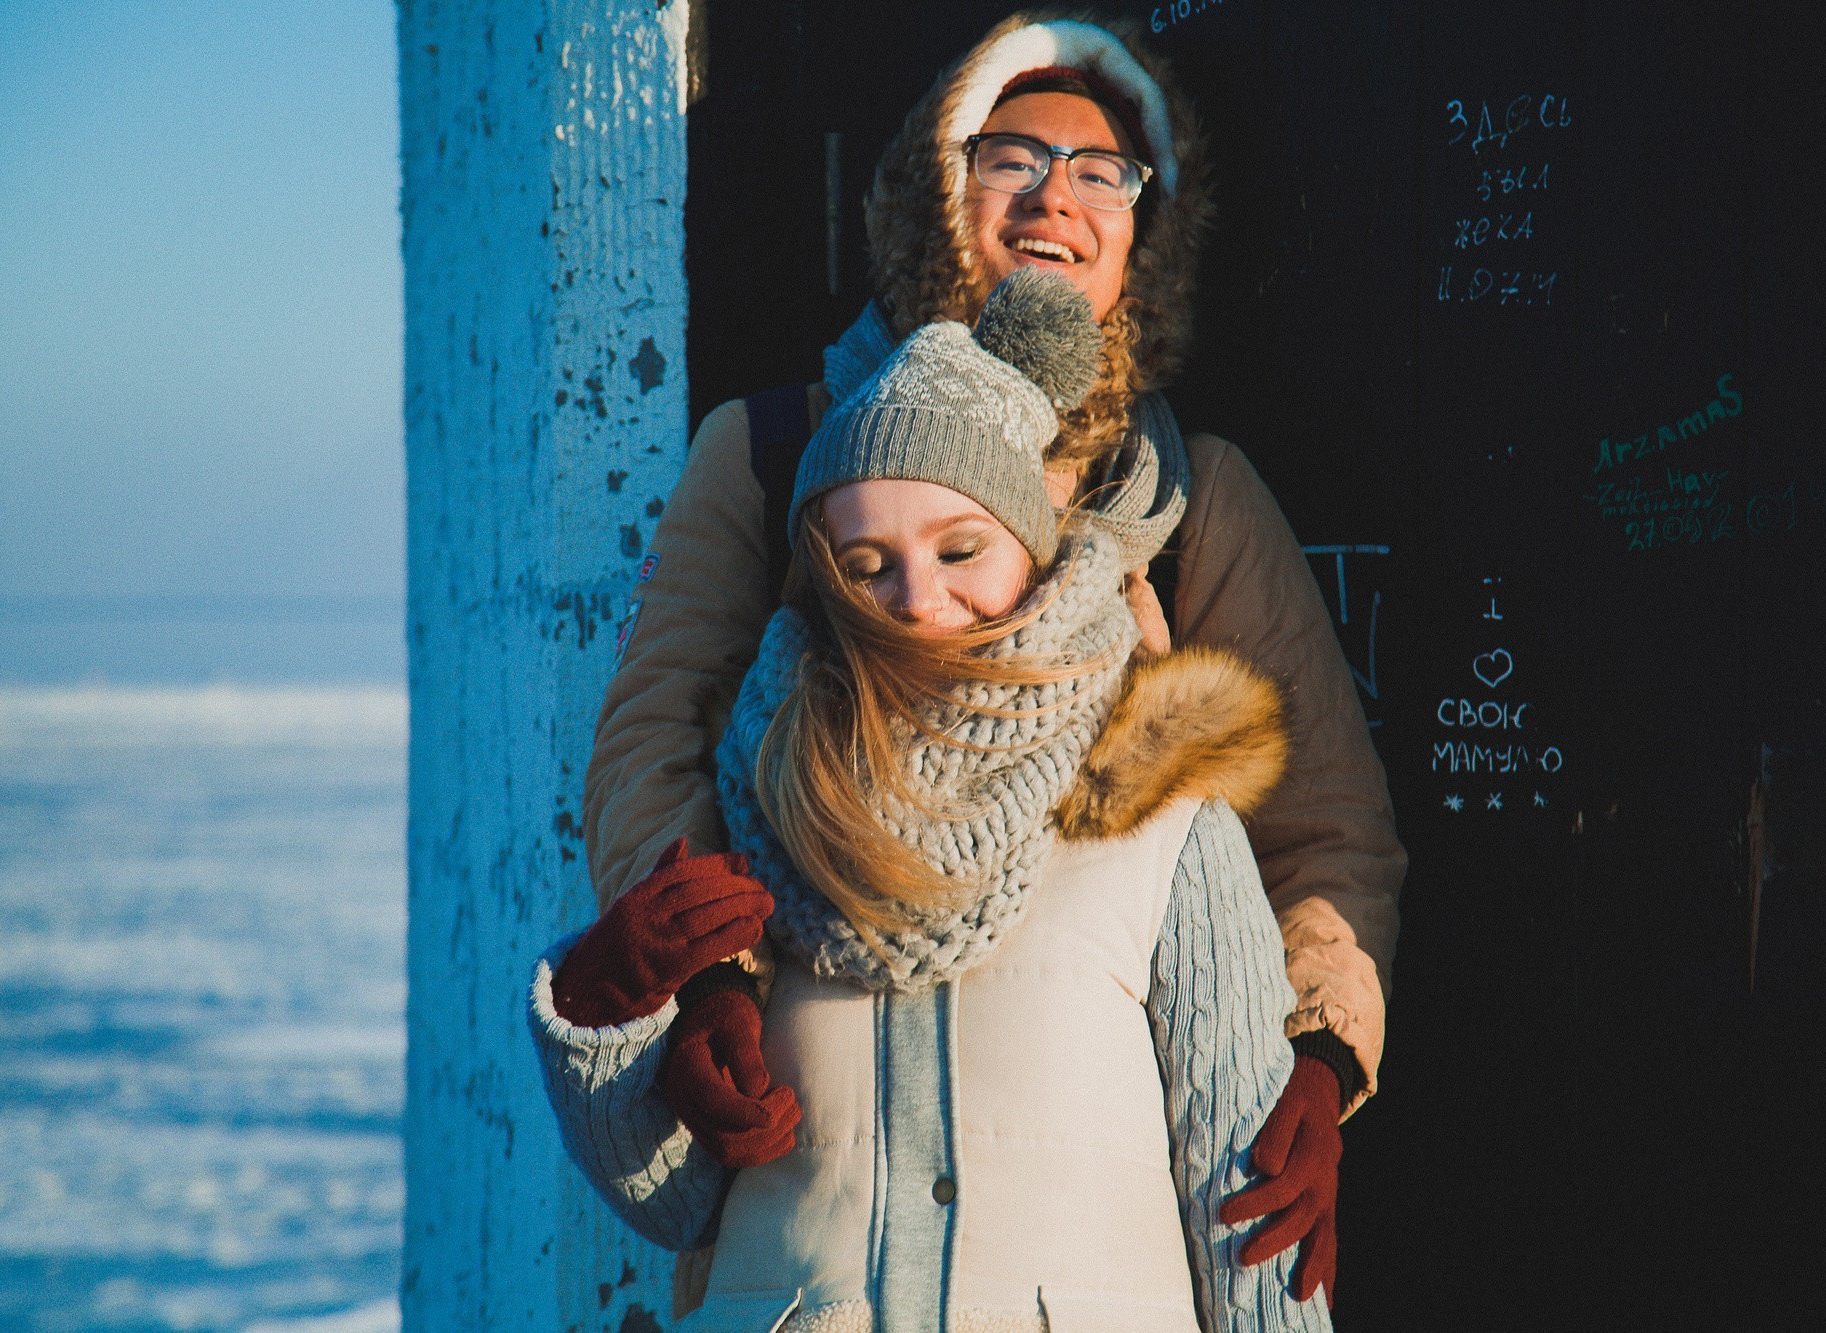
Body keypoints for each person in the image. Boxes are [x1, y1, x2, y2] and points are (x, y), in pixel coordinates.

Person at [574, 7, 1401, 1317]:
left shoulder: (1189, 503)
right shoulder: (775, 453)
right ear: (934, 194)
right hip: (824, 1138)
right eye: (1013, 155)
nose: (1056, 196)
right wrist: (711, 977)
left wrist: (1310, 1054)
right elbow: (651, 736)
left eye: (1104, 172)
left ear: (1147, 235)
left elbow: (1325, 821)